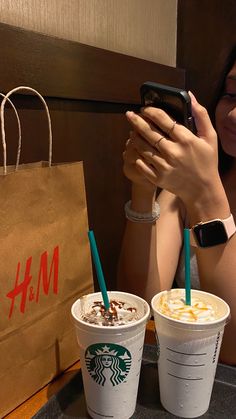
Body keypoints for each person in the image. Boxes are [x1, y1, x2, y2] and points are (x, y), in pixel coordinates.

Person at [118, 48, 236, 365]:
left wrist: (206, 196)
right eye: (232, 94)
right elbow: (140, 305)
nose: (234, 115)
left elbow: (230, 348)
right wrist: (143, 188)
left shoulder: (199, 185)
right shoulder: (188, 187)